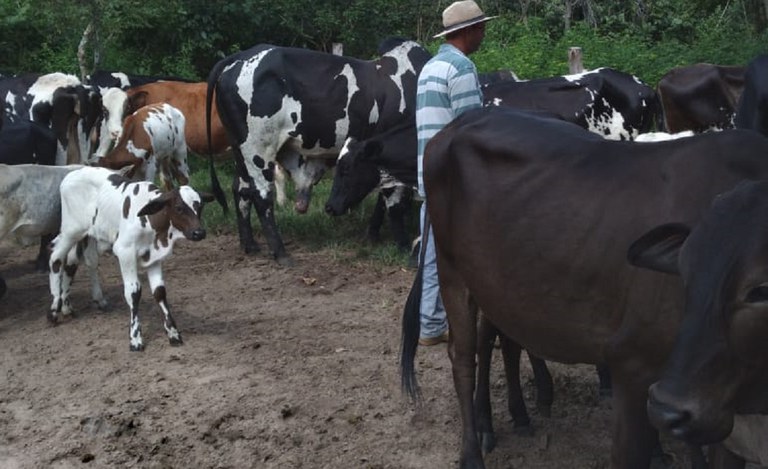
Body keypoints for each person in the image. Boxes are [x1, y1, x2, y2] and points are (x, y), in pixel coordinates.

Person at [416, 0, 495, 346]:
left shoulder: (430, 67)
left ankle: (430, 325)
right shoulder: (461, 69)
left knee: (432, 254)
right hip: (455, 180)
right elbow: (471, 129)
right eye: (480, 27)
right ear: (468, 31)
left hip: (429, 174)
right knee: (471, 254)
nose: (483, 33)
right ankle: (469, 324)